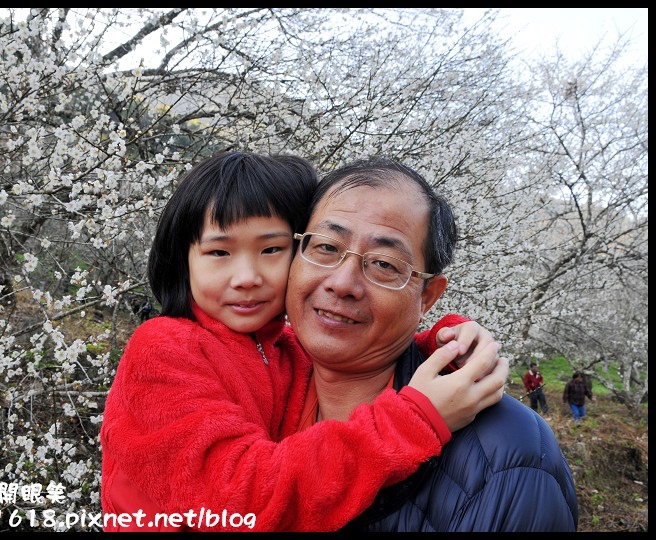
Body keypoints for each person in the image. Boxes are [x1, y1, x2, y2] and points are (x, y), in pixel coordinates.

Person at [100, 151, 508, 532]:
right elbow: (241, 502)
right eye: (219, 253)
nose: (246, 276)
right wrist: (414, 418)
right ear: (182, 260)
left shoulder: (284, 349)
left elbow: (367, 346)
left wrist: (447, 345)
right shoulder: (163, 349)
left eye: (272, 249)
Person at [285, 156, 578, 531]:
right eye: (325, 247)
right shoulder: (243, 389)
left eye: (384, 264)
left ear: (427, 297)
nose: (341, 283)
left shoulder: (509, 454)